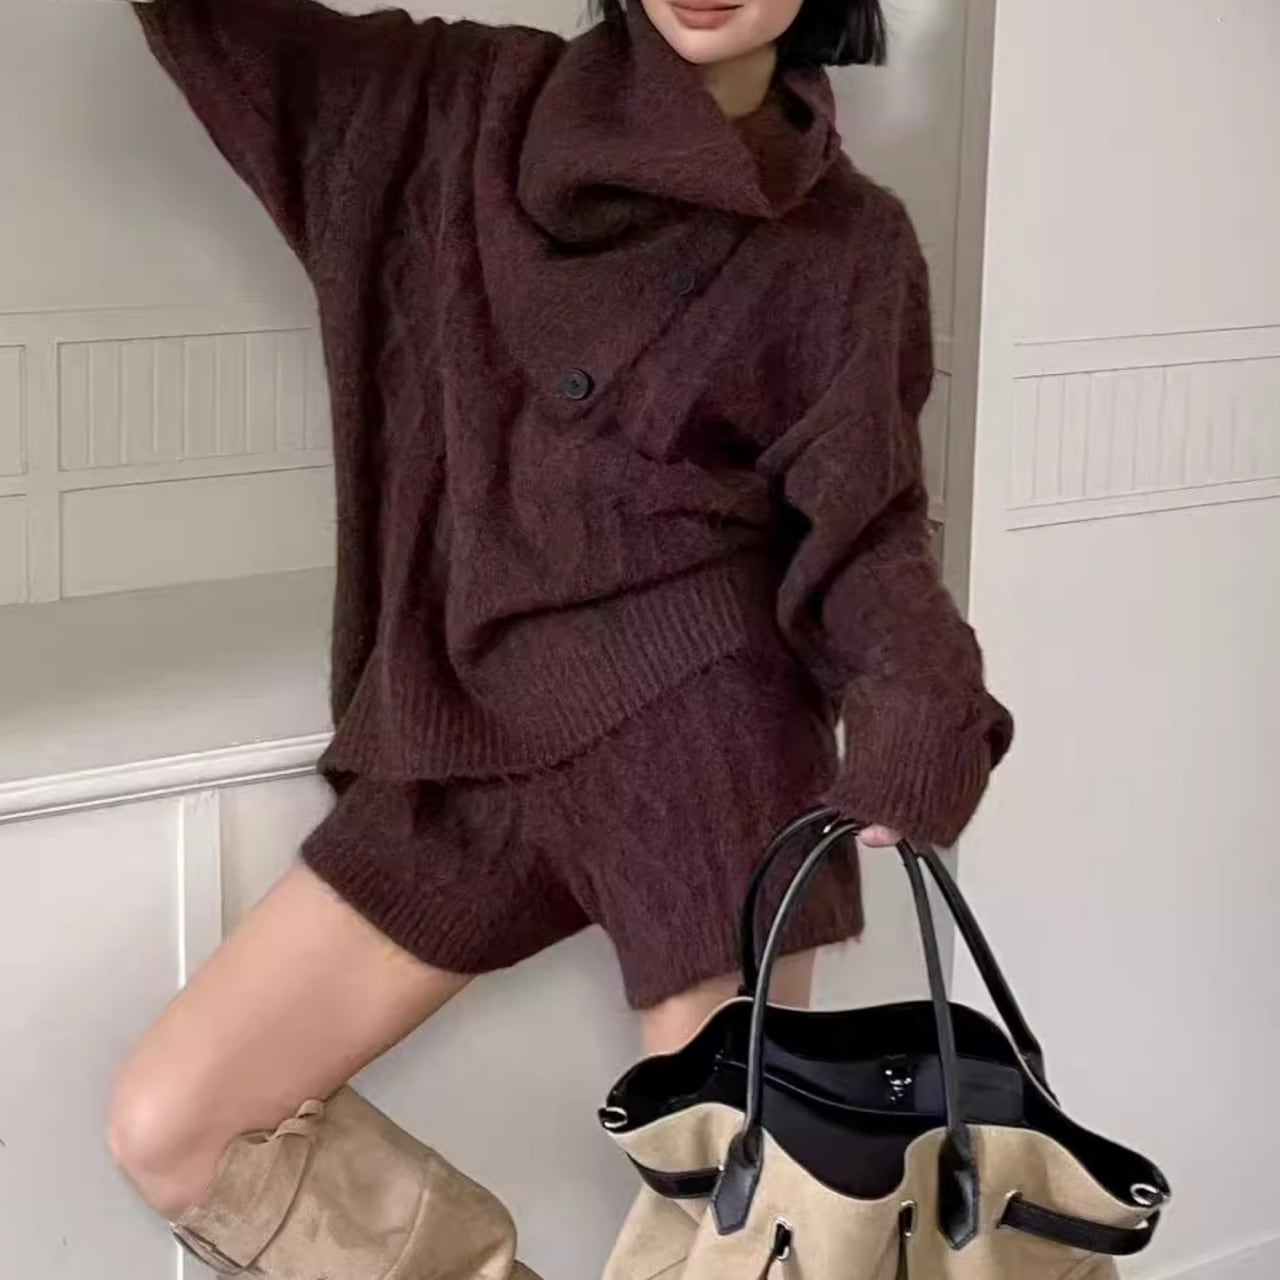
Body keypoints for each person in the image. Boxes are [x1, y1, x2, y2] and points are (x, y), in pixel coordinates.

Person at [104, 0, 1013, 1275]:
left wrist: (922, 695)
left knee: (734, 1232)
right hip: (463, 728)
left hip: (705, 736)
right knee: (177, 1121)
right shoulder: (455, 105)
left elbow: (864, 526)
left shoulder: (846, 242)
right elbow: (224, 30)